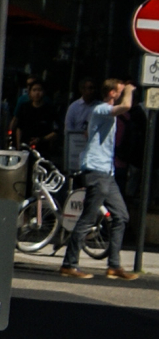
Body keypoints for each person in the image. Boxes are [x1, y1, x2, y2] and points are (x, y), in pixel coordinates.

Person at [61, 78, 140, 281]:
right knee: (87, 217)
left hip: (107, 171)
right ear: (112, 93)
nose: (124, 94)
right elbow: (126, 106)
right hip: (96, 171)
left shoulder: (102, 113)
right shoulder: (100, 109)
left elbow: (90, 132)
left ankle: (114, 265)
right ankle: (69, 264)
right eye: (120, 91)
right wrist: (130, 90)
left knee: (121, 216)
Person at [12, 77, 60, 158]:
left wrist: (41, 139)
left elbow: (56, 132)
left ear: (44, 92)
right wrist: (18, 147)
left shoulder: (50, 109)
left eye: (39, 90)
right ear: (29, 92)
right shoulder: (24, 108)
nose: (37, 93)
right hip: (25, 148)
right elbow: (19, 128)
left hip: (43, 150)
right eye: (34, 90)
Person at [62, 77, 99, 175]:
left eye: (94, 88)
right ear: (82, 90)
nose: (92, 91)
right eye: (89, 88)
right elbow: (68, 129)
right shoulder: (74, 107)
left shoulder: (99, 107)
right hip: (77, 147)